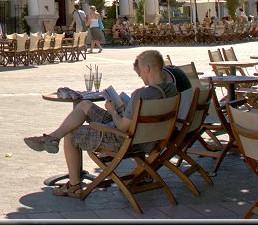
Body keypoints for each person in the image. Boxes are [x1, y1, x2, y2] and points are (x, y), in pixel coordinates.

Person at [24, 50, 178, 197]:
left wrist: (112, 111)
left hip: (125, 139)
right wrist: (126, 108)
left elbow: (123, 127)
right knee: (84, 104)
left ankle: (74, 185)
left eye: (140, 73)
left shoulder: (142, 94)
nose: (141, 77)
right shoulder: (171, 90)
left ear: (147, 68)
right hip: (147, 138)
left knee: (71, 134)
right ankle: (53, 138)